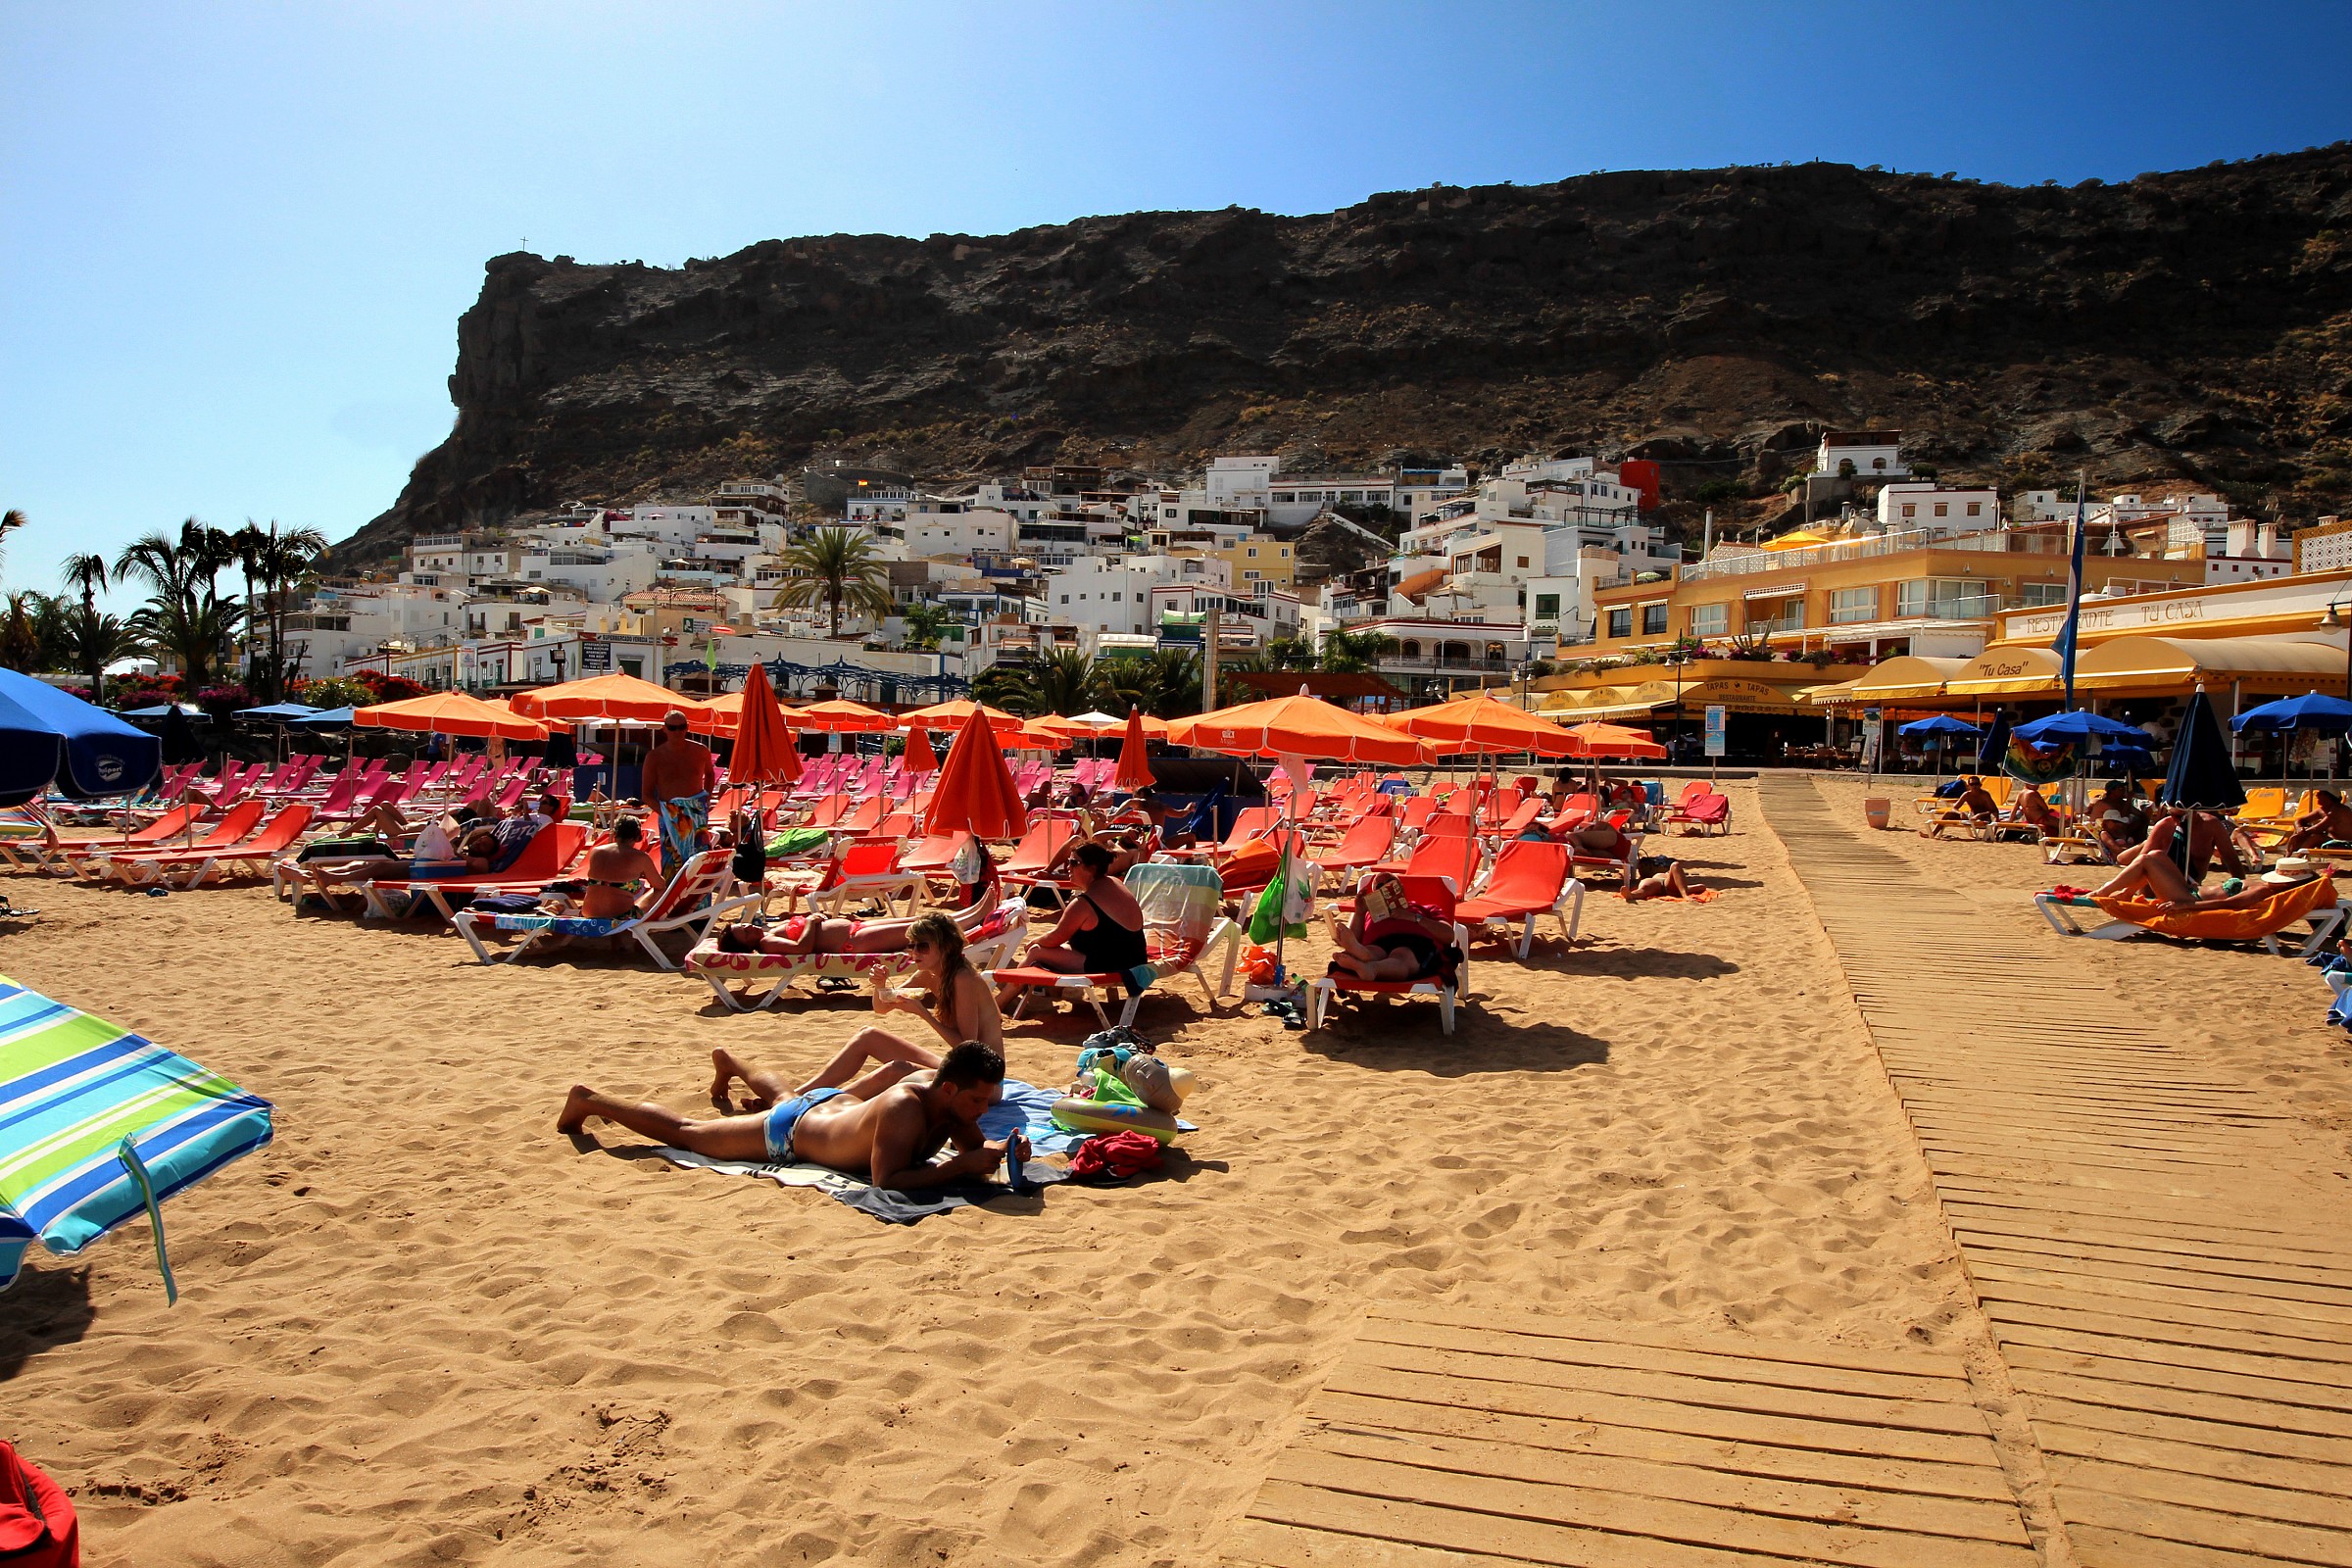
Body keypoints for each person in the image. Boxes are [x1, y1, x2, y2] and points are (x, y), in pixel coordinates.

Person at [560, 1038, 1013, 1190]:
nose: (982, 1108)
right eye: (978, 1100)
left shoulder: (954, 1107)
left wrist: (1005, 1150)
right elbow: (887, 1181)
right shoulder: (903, 1106)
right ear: (949, 1088)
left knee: (785, 1093)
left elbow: (979, 1151)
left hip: (831, 1107)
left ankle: (731, 1064)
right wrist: (956, 1167)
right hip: (791, 1132)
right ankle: (588, 1099)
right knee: (687, 1132)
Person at [1008, 843, 1146, 990]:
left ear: (1092, 868)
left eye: (1074, 863)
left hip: (1112, 965)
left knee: (1035, 951)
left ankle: (1001, 1002)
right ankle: (1049, 991)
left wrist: (1032, 942)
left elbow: (1053, 939)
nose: (1068, 867)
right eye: (1067, 862)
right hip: (1135, 960)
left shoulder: (1083, 903)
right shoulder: (1115, 883)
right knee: (1057, 951)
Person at [1325, 872, 1462, 982]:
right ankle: (1363, 957)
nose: (1386, 887)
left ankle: (1370, 967)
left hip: (1415, 943)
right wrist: (1360, 913)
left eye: (1390, 883)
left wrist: (1415, 918)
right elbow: (1355, 938)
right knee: (1373, 950)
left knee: (1401, 954)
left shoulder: (1425, 909)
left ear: (1400, 887)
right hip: (1379, 943)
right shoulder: (1369, 914)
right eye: (1380, 887)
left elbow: (1448, 935)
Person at [641, 709, 716, 870]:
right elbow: (646, 795)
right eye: (673, 728)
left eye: (681, 727)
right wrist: (668, 814)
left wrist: (706, 800)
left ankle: (699, 896)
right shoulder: (655, 757)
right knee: (672, 864)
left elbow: (710, 774)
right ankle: (673, 895)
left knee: (699, 862)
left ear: (687, 727)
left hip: (696, 813)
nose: (677, 732)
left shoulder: (700, 751)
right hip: (669, 814)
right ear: (665, 728)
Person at [1923, 775, 2000, 838]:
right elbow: (1954, 808)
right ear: (1968, 786)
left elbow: (1994, 811)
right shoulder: (1967, 795)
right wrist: (1960, 813)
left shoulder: (1985, 795)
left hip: (1985, 817)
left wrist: (1980, 815)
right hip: (1972, 816)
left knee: (1995, 815)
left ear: (1980, 785)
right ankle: (1933, 834)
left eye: (1976, 784)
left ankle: (1992, 836)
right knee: (1948, 814)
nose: (1974, 786)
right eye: (1972, 784)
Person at [2278, 789, 2352, 854]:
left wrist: (2300, 833)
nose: (2317, 795)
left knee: (2314, 838)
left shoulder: (2339, 810)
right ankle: (2291, 859)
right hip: (2333, 841)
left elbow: (2318, 828)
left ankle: (2294, 860)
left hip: (2346, 844)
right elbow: (2299, 820)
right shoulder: (2322, 810)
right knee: (2301, 833)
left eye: (2320, 793)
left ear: (2329, 797)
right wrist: (2299, 828)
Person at [2091, 779, 2148, 862]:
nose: (2124, 791)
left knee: (2140, 821)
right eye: (2120, 789)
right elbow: (2120, 816)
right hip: (2101, 830)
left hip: (2120, 832)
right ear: (2112, 791)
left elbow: (2138, 814)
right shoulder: (2103, 803)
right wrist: (2129, 800)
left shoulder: (2121, 803)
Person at [1623, 856, 1708, 902]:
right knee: (1675, 865)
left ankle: (1632, 895)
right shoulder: (1682, 887)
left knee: (1644, 890)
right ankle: (1684, 895)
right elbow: (1701, 886)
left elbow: (1702, 887)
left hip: (1658, 882)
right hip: (1665, 883)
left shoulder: (1682, 886)